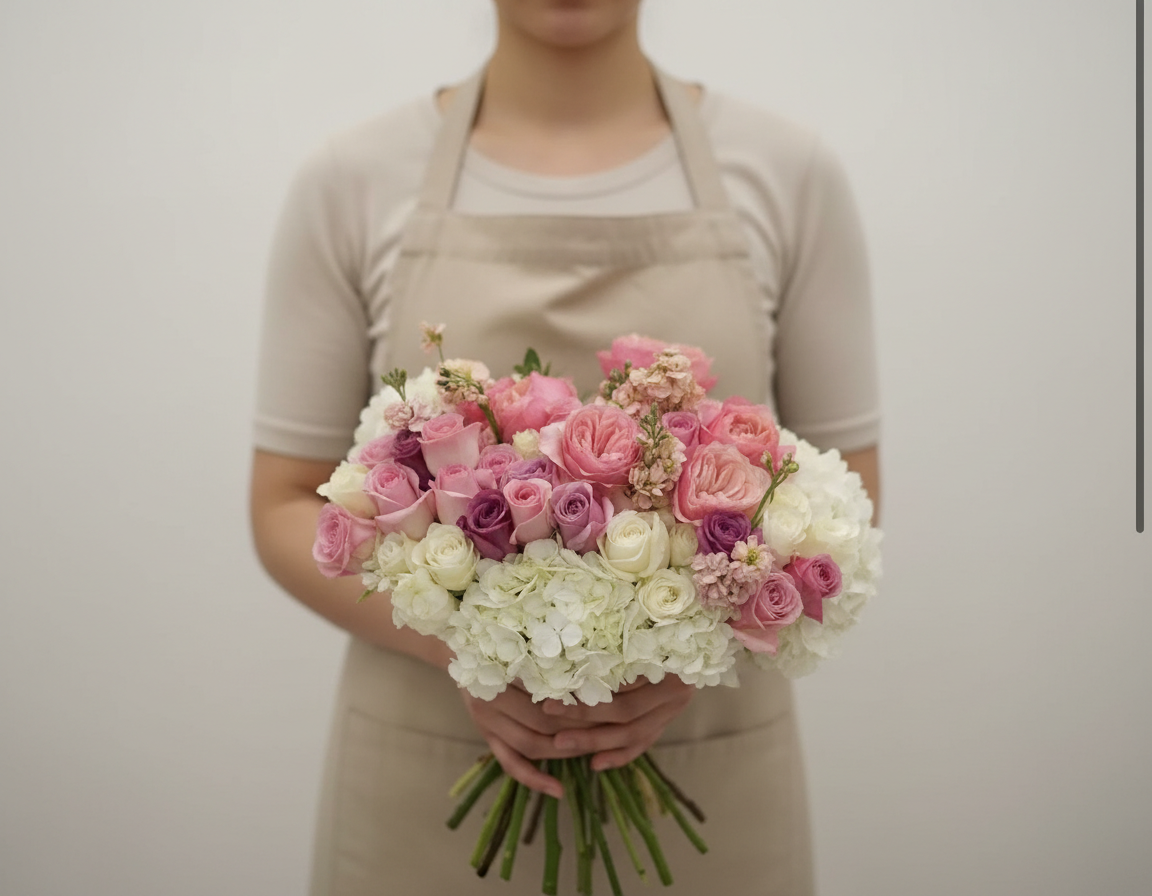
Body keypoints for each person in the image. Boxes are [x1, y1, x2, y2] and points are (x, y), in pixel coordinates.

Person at [250, 1, 880, 893]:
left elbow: (846, 499)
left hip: (710, 771)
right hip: (424, 778)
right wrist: (479, 657)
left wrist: (679, 660)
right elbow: (285, 500)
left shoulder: (788, 172)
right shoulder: (352, 179)